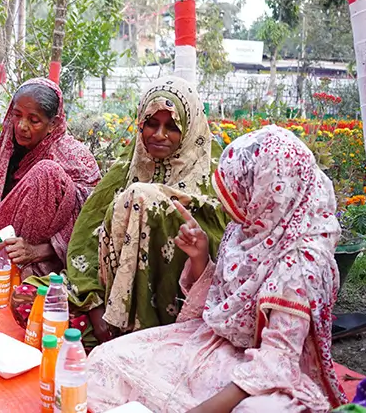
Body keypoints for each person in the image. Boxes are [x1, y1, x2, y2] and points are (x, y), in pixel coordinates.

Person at [84, 126, 347, 412]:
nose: (230, 202)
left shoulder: (302, 260)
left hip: (268, 372)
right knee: (106, 360)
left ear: (268, 190)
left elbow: (277, 361)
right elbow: (218, 305)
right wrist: (199, 257)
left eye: (242, 190)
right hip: (215, 344)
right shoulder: (247, 228)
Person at [14, 76, 229, 348]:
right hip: (107, 295)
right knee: (25, 300)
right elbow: (87, 237)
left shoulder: (212, 181)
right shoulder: (128, 167)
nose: (159, 135)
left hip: (173, 309)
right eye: (151, 124)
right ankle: (115, 335)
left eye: (172, 126)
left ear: (188, 128)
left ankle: (140, 337)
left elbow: (220, 256)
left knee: (143, 197)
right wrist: (95, 306)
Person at [0, 78, 101, 291]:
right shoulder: (10, 153)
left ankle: (27, 274)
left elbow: (90, 229)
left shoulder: (73, 157)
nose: (22, 126)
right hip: (13, 247)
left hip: (57, 259)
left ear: (53, 124)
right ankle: (5, 269)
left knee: (45, 171)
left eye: (34, 120)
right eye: (17, 116)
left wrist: (36, 251)